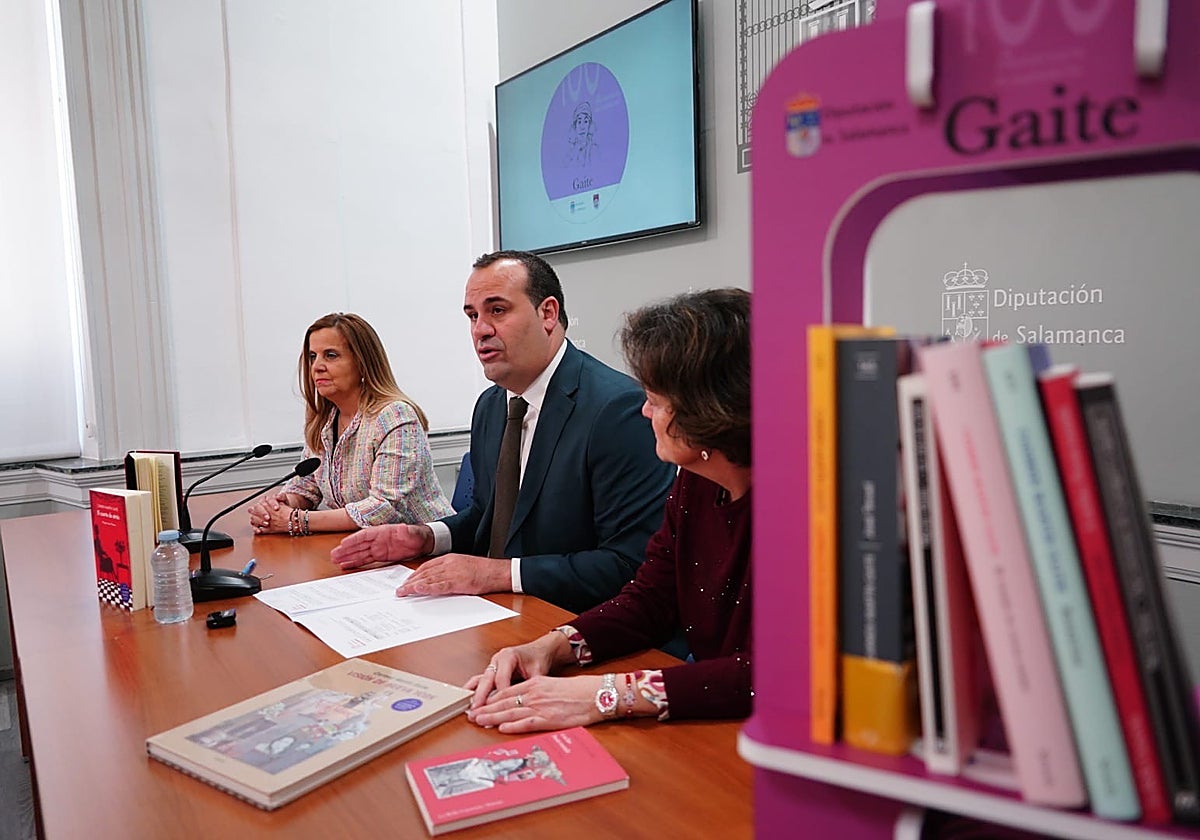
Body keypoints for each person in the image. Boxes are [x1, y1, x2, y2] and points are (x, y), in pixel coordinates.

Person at [462, 287, 752, 732]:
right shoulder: (696, 481)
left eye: (656, 399)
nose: (644, 409)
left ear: (710, 408)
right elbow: (650, 598)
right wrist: (553, 646)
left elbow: (773, 674)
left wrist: (609, 694)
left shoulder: (802, 509)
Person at [330, 251, 675, 613]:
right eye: (472, 316)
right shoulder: (491, 406)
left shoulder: (618, 409)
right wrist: (424, 537)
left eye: (497, 310)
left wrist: (497, 574)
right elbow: (490, 515)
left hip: (575, 622)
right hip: (492, 614)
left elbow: (629, 565)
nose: (481, 329)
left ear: (548, 314)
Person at [248, 312, 452, 536]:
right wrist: (279, 506)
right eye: (312, 356)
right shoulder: (324, 420)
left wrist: (298, 521)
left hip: (426, 552)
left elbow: (384, 509)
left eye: (331, 355)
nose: (317, 366)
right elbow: (306, 486)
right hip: (366, 549)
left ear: (363, 363)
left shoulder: (395, 416)